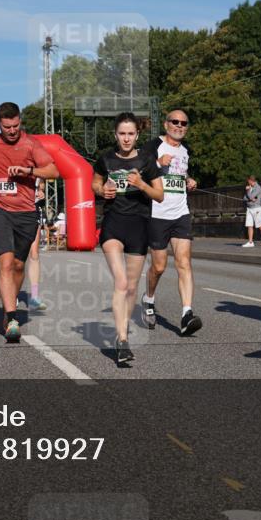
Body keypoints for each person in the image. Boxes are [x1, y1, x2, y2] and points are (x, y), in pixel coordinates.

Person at [0, 102, 60, 342]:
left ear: (20, 121)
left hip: (26, 210)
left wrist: (28, 171)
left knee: (19, 265)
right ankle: (12, 318)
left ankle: (9, 307)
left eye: (15, 126)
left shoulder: (31, 144)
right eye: (7, 127)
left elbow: (53, 171)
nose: (12, 131)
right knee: (6, 262)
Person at [93, 112, 164, 365]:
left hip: (139, 225)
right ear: (115, 135)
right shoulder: (106, 159)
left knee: (132, 287)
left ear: (137, 135)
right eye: (122, 134)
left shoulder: (147, 160)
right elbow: (95, 183)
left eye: (130, 134)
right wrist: (102, 190)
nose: (126, 138)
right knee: (121, 283)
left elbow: (159, 195)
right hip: (113, 224)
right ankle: (122, 340)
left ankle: (122, 331)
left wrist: (141, 184)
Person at [140, 109, 202, 335]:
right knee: (159, 266)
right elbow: (137, 173)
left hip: (180, 213)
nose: (179, 126)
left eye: (184, 123)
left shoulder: (186, 150)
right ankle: (148, 299)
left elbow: (180, 174)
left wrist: (189, 180)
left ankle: (187, 314)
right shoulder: (152, 146)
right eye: (175, 122)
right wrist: (157, 163)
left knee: (184, 262)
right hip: (157, 214)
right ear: (166, 125)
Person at [25, 182, 47, 311]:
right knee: (15, 257)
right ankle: (12, 294)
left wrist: (40, 190)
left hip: (34, 211)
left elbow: (42, 181)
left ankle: (34, 297)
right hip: (14, 211)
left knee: (34, 254)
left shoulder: (37, 173)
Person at [242, 175, 261, 247]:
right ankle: (250, 242)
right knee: (249, 225)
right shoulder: (250, 187)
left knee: (259, 225)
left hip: (256, 208)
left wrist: (248, 192)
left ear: (251, 180)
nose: (247, 182)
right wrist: (250, 198)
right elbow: (244, 198)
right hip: (249, 208)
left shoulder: (258, 188)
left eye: (248, 181)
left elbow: (251, 196)